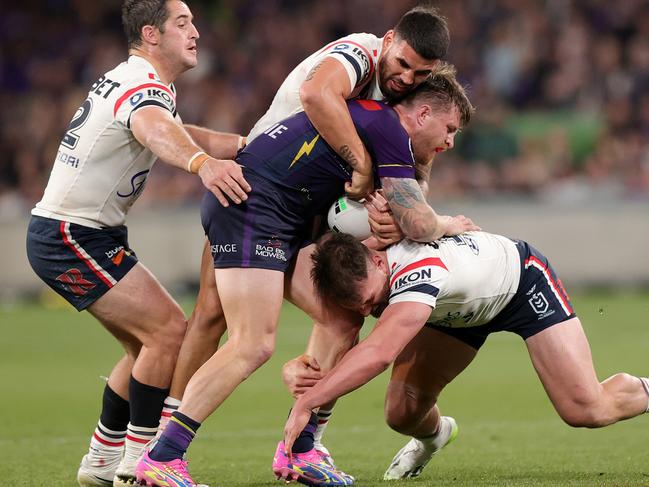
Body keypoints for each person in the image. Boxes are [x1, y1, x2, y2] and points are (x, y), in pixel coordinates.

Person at [135, 67, 479, 487]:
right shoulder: (388, 127)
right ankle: (162, 456)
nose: (449, 141)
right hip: (252, 208)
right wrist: (447, 223)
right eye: (450, 128)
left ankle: (301, 448)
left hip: (286, 221)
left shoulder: (375, 124)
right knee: (251, 344)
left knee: (343, 319)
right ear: (422, 114)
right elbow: (420, 223)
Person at [164, 4, 452, 462]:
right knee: (214, 315)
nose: (406, 77)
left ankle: (304, 444)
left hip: (312, 208)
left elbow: (412, 186)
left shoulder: (403, 98)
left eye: (420, 74)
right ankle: (153, 443)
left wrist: (391, 213)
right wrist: (361, 164)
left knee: (343, 319)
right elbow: (317, 94)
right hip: (259, 188)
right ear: (390, 38)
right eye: (402, 64)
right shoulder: (359, 51)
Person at [25, 1, 250, 486]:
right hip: (70, 232)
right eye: (182, 23)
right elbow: (154, 129)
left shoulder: (138, 81)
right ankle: (143, 462)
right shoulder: (144, 88)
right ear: (151, 33)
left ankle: (102, 461)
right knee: (169, 331)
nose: (195, 31)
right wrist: (202, 165)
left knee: (145, 346)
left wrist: (233, 144)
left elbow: (170, 129)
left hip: (83, 232)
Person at [283, 231, 649, 481]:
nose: (369, 310)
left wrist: (307, 404)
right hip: (453, 311)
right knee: (402, 412)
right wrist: (297, 364)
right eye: (360, 306)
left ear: (379, 262)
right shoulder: (365, 270)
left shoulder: (415, 273)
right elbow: (342, 334)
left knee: (585, 410)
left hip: (520, 284)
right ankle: (435, 437)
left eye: (373, 300)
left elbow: (378, 353)